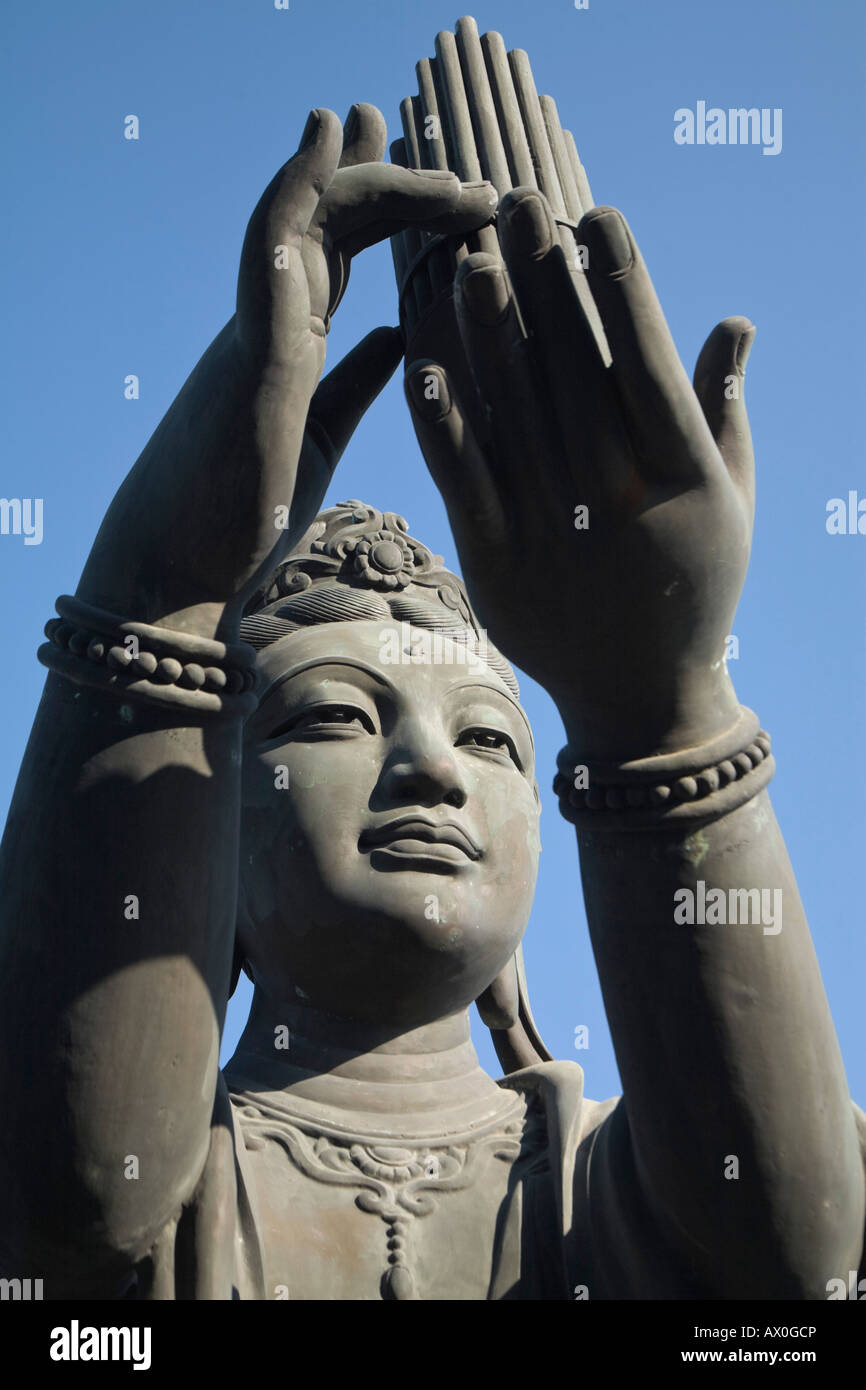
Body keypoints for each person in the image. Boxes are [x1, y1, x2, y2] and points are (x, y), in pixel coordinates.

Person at [0, 105, 862, 1301]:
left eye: (488, 737)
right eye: (335, 718)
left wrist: (657, 701)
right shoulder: (158, 1185)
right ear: (202, 856)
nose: (432, 770)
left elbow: (789, 1258)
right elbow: (78, 1195)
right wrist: (163, 588)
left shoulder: (602, 1182)